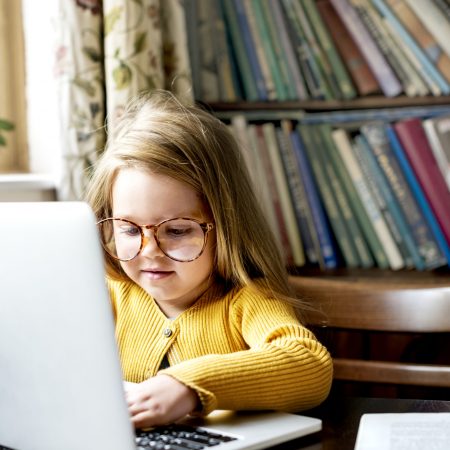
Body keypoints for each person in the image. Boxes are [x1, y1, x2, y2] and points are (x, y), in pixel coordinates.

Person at [85, 89, 333, 429]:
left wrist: (185, 385)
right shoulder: (109, 295)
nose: (149, 251)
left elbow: (310, 366)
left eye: (176, 231)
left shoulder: (247, 302)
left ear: (227, 228)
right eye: (128, 230)